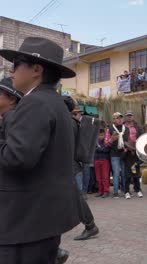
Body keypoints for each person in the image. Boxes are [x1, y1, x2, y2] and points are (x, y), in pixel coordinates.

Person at [0, 37, 80, 263]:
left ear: (36, 69)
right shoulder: (51, 101)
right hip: (41, 219)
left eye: (16, 64)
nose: (11, 70)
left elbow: (17, 158)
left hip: (26, 221)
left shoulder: (35, 103)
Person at [62, 96, 100, 241]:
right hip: (68, 165)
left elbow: (67, 147)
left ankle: (90, 225)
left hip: (68, 165)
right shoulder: (70, 122)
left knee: (75, 196)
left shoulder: (68, 123)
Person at [123, 110, 144, 199]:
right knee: (127, 173)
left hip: (136, 149)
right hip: (127, 149)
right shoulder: (122, 127)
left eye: (130, 115)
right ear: (125, 117)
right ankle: (126, 191)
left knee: (137, 172)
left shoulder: (138, 126)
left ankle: (138, 190)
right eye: (128, 116)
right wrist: (125, 147)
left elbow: (142, 136)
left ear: (133, 117)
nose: (129, 117)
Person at [109, 112, 129, 198]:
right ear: (113, 120)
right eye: (117, 118)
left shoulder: (126, 129)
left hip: (124, 154)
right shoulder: (110, 129)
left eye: (121, 117)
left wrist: (127, 148)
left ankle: (125, 190)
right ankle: (116, 191)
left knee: (124, 173)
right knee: (116, 173)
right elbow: (108, 143)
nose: (120, 119)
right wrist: (112, 139)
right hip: (114, 154)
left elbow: (127, 141)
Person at [94, 129, 111, 198]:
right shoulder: (95, 142)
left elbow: (106, 149)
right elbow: (95, 149)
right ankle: (100, 191)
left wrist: (99, 149)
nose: (100, 136)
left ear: (104, 135)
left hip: (105, 160)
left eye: (102, 135)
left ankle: (106, 191)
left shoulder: (106, 142)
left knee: (105, 177)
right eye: (99, 135)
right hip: (97, 160)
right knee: (98, 177)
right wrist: (101, 149)